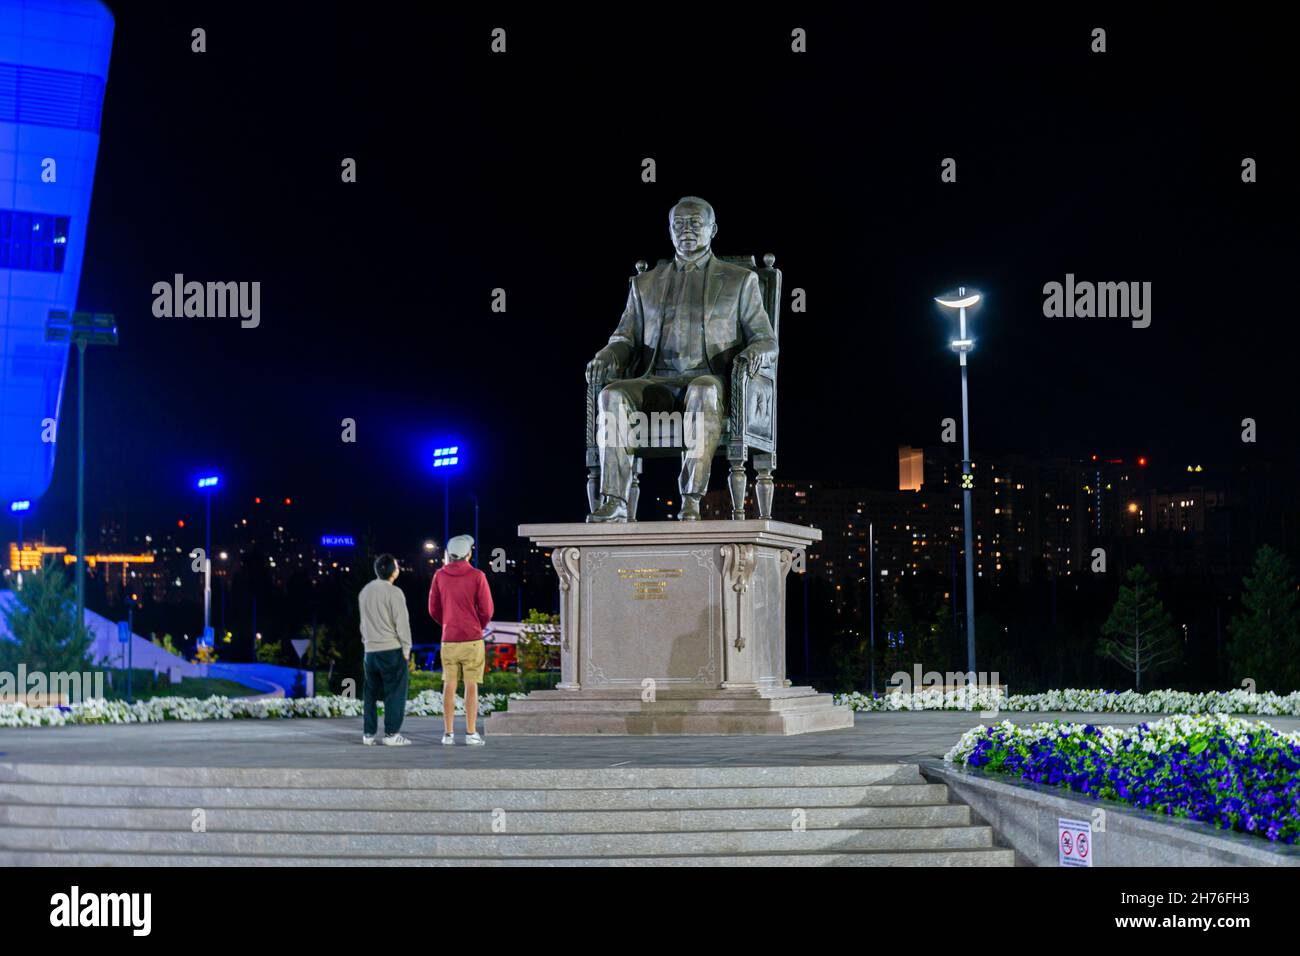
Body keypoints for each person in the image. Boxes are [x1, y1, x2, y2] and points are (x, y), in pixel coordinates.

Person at [585, 196, 778, 521]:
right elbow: (624, 339)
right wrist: (607, 354)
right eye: (679, 224)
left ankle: (691, 499)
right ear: (670, 230)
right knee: (611, 394)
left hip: (710, 380)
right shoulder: (644, 284)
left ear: (713, 229)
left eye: (695, 223)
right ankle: (614, 501)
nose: (686, 230)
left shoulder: (740, 281)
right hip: (655, 381)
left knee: (703, 391)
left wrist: (752, 354)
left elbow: (766, 340)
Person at [428, 535, 493, 745]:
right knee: (471, 685)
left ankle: (448, 734)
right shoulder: (477, 576)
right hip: (472, 639)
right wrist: (477, 625)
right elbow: (487, 610)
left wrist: (448, 623)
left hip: (449, 639)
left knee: (449, 684)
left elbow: (433, 609)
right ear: (468, 554)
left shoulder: (439, 575)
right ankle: (471, 733)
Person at [358, 553, 413, 746]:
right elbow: (402, 624)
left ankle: (368, 734)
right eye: (397, 565)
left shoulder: (365, 591)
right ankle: (391, 734)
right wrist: (406, 649)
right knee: (395, 692)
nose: (398, 568)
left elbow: (363, 624)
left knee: (370, 693)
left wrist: (367, 642)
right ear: (392, 571)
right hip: (391, 650)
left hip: (370, 652)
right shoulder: (394, 593)